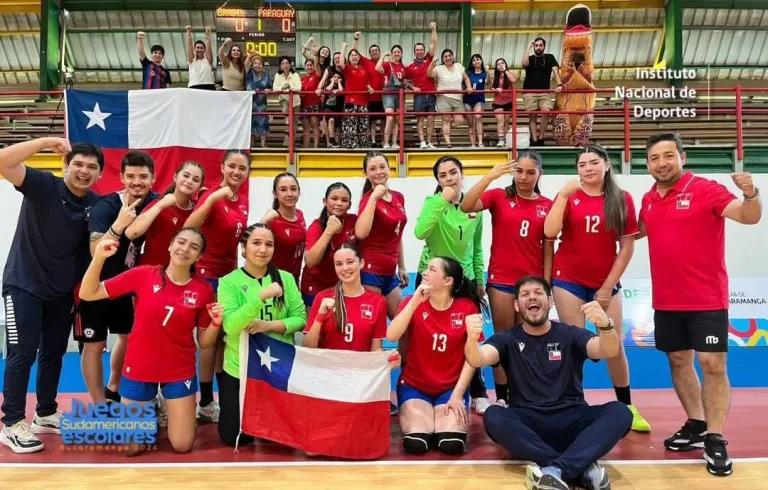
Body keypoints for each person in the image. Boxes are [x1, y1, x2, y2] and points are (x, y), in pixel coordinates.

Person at [637, 132, 762, 477]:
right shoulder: (648, 200)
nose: (661, 163)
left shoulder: (706, 189)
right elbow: (632, 234)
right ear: (647, 164)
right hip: (666, 299)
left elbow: (749, 217)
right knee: (679, 361)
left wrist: (751, 193)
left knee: (713, 365)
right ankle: (696, 423)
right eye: (654, 158)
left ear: (682, 157)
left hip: (707, 297)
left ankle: (716, 437)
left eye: (668, 156)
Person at [469, 276, 632, 490]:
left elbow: (608, 350)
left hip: (573, 419)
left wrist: (606, 326)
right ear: (517, 305)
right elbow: (477, 358)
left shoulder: (569, 334)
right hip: (529, 424)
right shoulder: (507, 339)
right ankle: (579, 466)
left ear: (550, 302)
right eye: (525, 295)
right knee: (494, 415)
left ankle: (556, 471)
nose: (532, 297)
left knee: (621, 412)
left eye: (538, 293)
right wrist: (471, 339)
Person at [78, 229, 221, 454]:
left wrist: (215, 324)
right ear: (170, 246)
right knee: (130, 447)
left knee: (182, 445)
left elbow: (204, 342)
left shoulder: (203, 290)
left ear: (199, 256)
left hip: (178, 370)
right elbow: (88, 293)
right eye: (181, 242)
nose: (185, 249)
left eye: (193, 247)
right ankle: (150, 411)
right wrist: (99, 257)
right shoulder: (144, 274)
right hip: (140, 366)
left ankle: (165, 409)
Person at [0, 138, 102, 454]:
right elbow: (3, 161)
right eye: (79, 164)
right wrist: (45, 141)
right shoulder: (44, 185)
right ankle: (12, 423)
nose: (84, 171)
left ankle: (45, 413)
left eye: (92, 167)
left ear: (99, 173)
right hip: (23, 285)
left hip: (61, 293)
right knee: (22, 353)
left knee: (54, 353)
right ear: (66, 165)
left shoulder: (97, 205)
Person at [543, 145, 650, 434]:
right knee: (574, 347)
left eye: (593, 162)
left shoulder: (621, 199)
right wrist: (563, 195)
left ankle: (626, 405)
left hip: (605, 282)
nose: (587, 168)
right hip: (568, 280)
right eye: (582, 164)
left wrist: (606, 288)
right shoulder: (569, 195)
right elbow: (549, 233)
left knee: (613, 346)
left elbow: (626, 248)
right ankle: (572, 404)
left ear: (605, 165)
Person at [460, 153, 554, 407]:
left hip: (532, 284)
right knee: (503, 340)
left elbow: (548, 248)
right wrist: (491, 176)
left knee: (531, 340)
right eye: (519, 171)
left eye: (530, 172)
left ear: (539, 174)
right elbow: (465, 206)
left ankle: (527, 394)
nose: (524, 177)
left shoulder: (548, 204)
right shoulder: (500, 196)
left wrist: (546, 287)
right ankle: (502, 397)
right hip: (501, 279)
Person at [76, 151, 158, 409]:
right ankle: (99, 404)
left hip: (127, 284)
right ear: (121, 177)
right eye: (131, 176)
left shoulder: (155, 201)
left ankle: (114, 387)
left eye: (143, 176)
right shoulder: (107, 206)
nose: (137, 181)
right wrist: (119, 225)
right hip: (95, 284)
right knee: (94, 344)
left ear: (153, 178)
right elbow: (94, 250)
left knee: (129, 336)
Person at [216, 224, 307, 447]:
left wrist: (269, 326)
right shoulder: (228, 282)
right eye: (256, 243)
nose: (263, 249)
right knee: (234, 438)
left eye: (269, 244)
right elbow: (230, 326)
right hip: (241, 367)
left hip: (277, 366)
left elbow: (300, 319)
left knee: (278, 440)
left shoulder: (285, 278)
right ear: (243, 249)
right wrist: (260, 297)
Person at [413, 156, 490, 414]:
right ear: (437, 180)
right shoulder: (432, 202)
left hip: (464, 279)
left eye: (453, 172)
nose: (449, 178)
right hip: (431, 277)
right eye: (443, 175)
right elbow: (420, 232)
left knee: (471, 334)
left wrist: (479, 279)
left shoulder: (474, 207)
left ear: (462, 174)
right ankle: (417, 385)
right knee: (422, 333)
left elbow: (476, 247)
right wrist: (441, 201)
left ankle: (478, 391)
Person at [387, 257, 486, 455]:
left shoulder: (467, 308)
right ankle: (423, 416)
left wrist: (458, 395)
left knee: (451, 444)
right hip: (415, 385)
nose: (424, 272)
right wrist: (415, 299)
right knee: (417, 443)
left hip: (450, 388)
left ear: (447, 281)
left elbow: (471, 358)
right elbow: (392, 335)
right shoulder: (411, 302)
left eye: (431, 269)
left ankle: (441, 415)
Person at [184, 150, 250, 424]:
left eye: (242, 168)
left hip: (228, 277)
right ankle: (206, 401)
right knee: (208, 340)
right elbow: (188, 228)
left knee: (225, 340)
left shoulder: (242, 201)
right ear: (222, 167)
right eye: (232, 166)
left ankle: (224, 400)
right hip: (206, 275)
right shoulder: (209, 194)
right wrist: (211, 198)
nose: (236, 172)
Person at [303, 244, 388, 352]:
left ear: (361, 263)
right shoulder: (322, 298)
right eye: (339, 264)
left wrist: (388, 361)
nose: (345, 268)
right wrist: (320, 316)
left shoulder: (378, 302)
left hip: (359, 368)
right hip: (328, 367)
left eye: (350, 262)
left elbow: (376, 349)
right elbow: (307, 347)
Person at [355, 152, 409, 319]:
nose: (378, 172)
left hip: (390, 271)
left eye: (382, 167)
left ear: (389, 169)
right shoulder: (368, 200)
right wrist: (374, 197)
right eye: (372, 168)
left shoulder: (399, 197)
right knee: (372, 324)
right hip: (371, 271)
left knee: (403, 322)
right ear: (365, 173)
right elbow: (361, 233)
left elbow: (397, 233)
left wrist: (402, 266)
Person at [126, 161, 205, 267]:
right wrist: (160, 205)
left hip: (179, 275)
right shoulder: (159, 204)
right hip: (151, 272)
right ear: (175, 177)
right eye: (186, 176)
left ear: (200, 186)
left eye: (195, 180)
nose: (189, 181)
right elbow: (131, 233)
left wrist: (206, 199)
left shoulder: (198, 210)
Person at [300, 182, 358, 307]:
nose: (339, 203)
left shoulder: (353, 221)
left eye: (344, 200)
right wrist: (329, 231)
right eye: (334, 198)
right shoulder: (316, 227)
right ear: (325, 201)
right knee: (315, 326)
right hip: (314, 286)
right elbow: (310, 262)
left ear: (349, 205)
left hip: (340, 286)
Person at [261, 172, 307, 285]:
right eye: (283, 190)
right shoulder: (271, 220)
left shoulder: (300, 215)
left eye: (293, 189)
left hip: (294, 282)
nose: (289, 194)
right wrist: (263, 221)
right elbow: (247, 247)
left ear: (299, 191)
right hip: (273, 282)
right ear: (275, 194)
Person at [521, 37, 562, 146]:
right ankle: (534, 140)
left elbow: (555, 71)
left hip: (544, 91)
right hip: (529, 92)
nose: (538, 47)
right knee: (532, 116)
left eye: (540, 45)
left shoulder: (549, 57)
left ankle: (540, 137)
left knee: (546, 112)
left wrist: (559, 84)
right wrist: (528, 47)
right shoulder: (529, 58)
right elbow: (524, 64)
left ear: (544, 46)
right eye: (536, 45)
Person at [428, 48, 472, 147]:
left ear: (453, 56)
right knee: (446, 119)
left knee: (459, 120)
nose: (448, 58)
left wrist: (469, 87)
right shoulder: (439, 69)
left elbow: (466, 78)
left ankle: (443, 130)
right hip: (444, 97)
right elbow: (429, 74)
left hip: (457, 98)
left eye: (449, 55)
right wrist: (432, 63)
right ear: (443, 59)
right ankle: (448, 143)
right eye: (445, 57)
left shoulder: (459, 66)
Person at [405, 23, 438, 149]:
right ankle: (422, 142)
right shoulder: (410, 67)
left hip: (431, 94)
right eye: (417, 50)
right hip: (419, 96)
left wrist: (433, 29)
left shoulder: (429, 59)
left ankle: (429, 142)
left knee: (431, 119)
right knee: (420, 119)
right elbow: (405, 81)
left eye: (421, 50)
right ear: (414, 52)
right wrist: (413, 88)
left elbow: (433, 43)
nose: (419, 51)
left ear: (424, 51)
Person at [339, 42, 374, 149]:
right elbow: (341, 64)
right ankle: (350, 145)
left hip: (363, 102)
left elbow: (367, 83)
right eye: (352, 55)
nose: (354, 57)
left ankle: (364, 145)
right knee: (350, 125)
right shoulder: (348, 68)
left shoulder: (364, 69)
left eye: (356, 55)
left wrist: (370, 88)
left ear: (359, 57)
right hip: (350, 101)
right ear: (349, 58)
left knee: (363, 125)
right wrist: (343, 48)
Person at [375, 45, 407, 149]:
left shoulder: (403, 67)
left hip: (399, 94)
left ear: (401, 54)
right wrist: (383, 55)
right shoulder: (388, 64)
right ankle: (386, 143)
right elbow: (377, 68)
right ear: (392, 54)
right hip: (388, 93)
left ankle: (394, 143)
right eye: (395, 52)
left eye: (399, 52)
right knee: (389, 118)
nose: (397, 54)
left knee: (396, 120)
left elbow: (404, 82)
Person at [273, 56, 302, 146]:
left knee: (294, 124)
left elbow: (299, 88)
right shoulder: (278, 75)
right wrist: (282, 87)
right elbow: (274, 88)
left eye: (287, 63)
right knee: (287, 115)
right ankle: (287, 126)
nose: (285, 65)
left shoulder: (295, 75)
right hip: (284, 100)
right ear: (280, 65)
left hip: (295, 102)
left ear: (290, 65)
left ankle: (289, 144)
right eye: (283, 63)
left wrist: (289, 87)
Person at [489, 58, 517, 148]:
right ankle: (501, 139)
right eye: (498, 64)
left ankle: (505, 139)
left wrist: (505, 71)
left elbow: (513, 80)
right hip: (498, 102)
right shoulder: (494, 78)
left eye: (502, 63)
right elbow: (492, 89)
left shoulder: (510, 74)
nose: (500, 65)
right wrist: (496, 89)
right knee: (500, 121)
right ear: (496, 67)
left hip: (508, 101)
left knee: (506, 122)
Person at [245, 54, 272, 148]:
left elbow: (270, 87)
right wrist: (250, 56)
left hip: (262, 102)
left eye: (259, 63)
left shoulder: (266, 74)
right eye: (255, 63)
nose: (257, 65)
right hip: (250, 101)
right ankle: (251, 144)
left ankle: (263, 144)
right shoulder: (249, 72)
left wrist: (269, 90)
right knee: (251, 122)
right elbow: (246, 64)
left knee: (263, 121)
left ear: (263, 65)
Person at [463, 54, 488, 148]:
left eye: (478, 59)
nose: (476, 62)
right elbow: (463, 84)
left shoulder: (484, 73)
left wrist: (488, 72)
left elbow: (489, 82)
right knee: (470, 123)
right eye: (474, 60)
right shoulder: (468, 73)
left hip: (479, 99)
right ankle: (473, 144)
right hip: (467, 99)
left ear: (481, 61)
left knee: (478, 117)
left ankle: (480, 142)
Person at [300, 59, 322, 148]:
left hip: (314, 104)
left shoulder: (316, 76)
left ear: (313, 67)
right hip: (304, 105)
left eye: (311, 65)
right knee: (306, 127)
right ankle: (306, 147)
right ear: (305, 67)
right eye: (307, 65)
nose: (309, 67)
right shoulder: (301, 79)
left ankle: (315, 148)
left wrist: (315, 55)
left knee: (315, 125)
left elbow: (317, 66)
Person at [185, 26, 214, 90]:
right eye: (197, 48)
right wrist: (189, 33)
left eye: (202, 48)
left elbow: (209, 49)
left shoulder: (208, 60)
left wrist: (208, 35)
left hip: (208, 85)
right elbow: (189, 47)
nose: (199, 50)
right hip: (194, 85)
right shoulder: (191, 60)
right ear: (194, 49)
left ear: (204, 50)